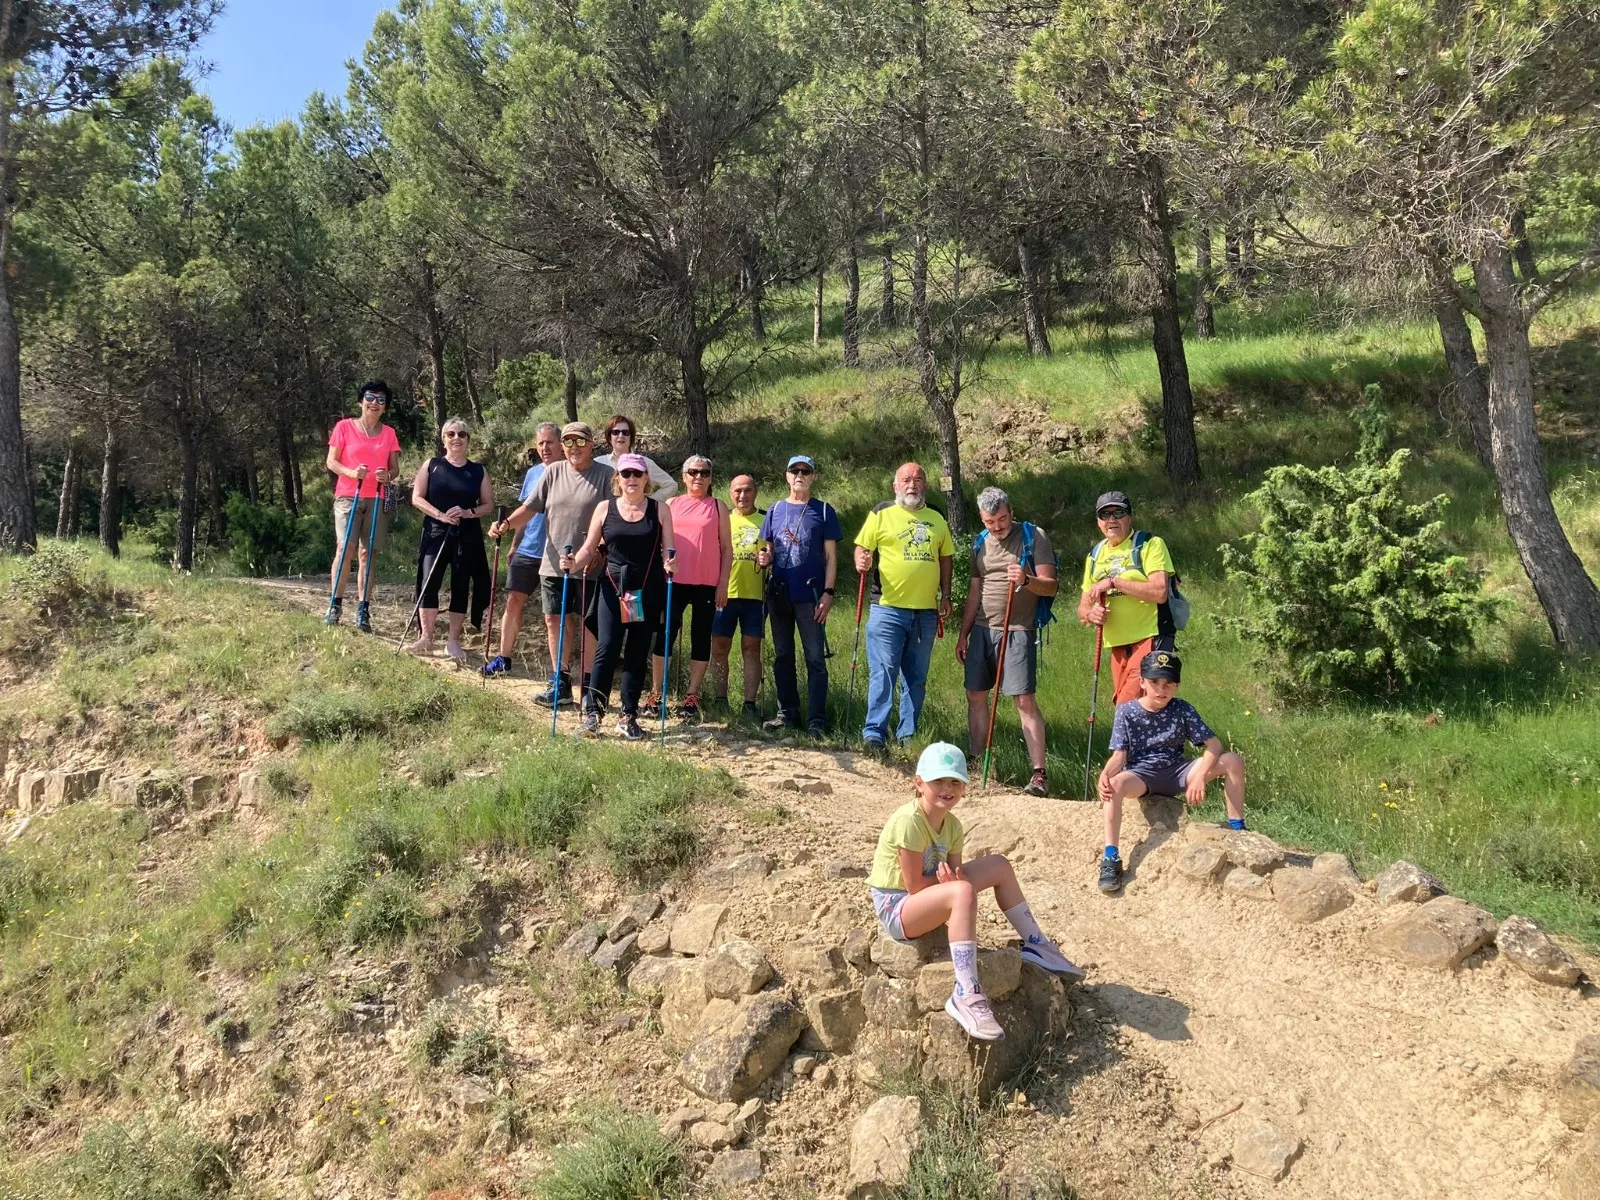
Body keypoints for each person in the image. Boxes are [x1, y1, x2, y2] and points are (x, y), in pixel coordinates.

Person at [867, 742, 1085, 1042]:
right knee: (962, 892)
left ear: (965, 787)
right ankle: (966, 991)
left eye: (955, 781)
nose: (947, 788)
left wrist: (952, 882)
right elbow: (914, 886)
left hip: (928, 894)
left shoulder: (953, 825)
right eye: (938, 781)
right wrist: (951, 885)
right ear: (919, 784)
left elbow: (956, 874)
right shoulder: (910, 820)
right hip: (897, 906)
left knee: (998, 865)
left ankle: (1037, 944)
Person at [1096, 650, 1247, 894]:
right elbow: (1119, 755)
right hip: (1141, 775)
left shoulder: (1182, 709)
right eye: (1154, 682)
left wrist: (1198, 776)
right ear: (1142, 682)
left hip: (1178, 771)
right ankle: (1111, 857)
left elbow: (1215, 745)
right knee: (1113, 784)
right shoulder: (1126, 711)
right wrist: (1105, 773)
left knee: (1232, 760)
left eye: (1168, 683)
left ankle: (1238, 828)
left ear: (1177, 686)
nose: (1161, 689)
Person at [489, 422, 613, 708]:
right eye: (568, 442)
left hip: (590, 564)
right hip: (553, 562)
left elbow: (613, 517)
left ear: (591, 444)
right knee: (554, 619)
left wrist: (601, 548)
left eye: (579, 442)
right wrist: (506, 525)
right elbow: (531, 508)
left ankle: (590, 686)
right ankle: (561, 680)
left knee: (588, 623)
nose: (574, 448)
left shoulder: (606, 476)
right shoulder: (553, 472)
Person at [957, 487, 1058, 797]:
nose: (997, 527)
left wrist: (1026, 580)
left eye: (1001, 519)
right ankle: (976, 762)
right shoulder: (979, 543)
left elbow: (1051, 586)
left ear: (1011, 512)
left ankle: (1038, 774)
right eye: (990, 522)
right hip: (983, 631)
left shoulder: (1032, 536)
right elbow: (975, 592)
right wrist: (964, 633)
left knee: (1023, 700)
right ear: (981, 518)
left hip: (1018, 629)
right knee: (975, 694)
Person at [569, 453, 677, 739]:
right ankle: (594, 713)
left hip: (646, 588)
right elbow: (589, 548)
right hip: (612, 588)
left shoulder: (660, 510)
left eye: (637, 474)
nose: (631, 479)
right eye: (626, 474)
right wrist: (572, 563)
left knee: (638, 652)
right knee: (606, 647)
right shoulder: (605, 508)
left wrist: (670, 563)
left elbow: (669, 549)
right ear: (617, 478)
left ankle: (628, 715)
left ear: (646, 479)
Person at [853, 462, 954, 756]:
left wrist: (946, 595)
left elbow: (945, 556)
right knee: (884, 672)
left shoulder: (936, 516)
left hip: (925, 612)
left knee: (916, 677)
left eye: (918, 480)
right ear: (896, 486)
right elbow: (862, 547)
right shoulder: (881, 512)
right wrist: (861, 559)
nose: (912, 485)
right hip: (887, 609)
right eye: (906, 480)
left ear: (926, 486)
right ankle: (875, 735)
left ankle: (908, 735)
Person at [758, 455, 841, 737]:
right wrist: (764, 558)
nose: (800, 475)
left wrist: (828, 593)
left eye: (806, 471)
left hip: (812, 595)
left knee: (815, 657)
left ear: (814, 477)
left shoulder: (825, 511)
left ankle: (816, 719)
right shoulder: (775, 509)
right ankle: (787, 714)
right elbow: (768, 549)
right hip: (779, 593)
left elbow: (831, 557)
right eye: (795, 470)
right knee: (782, 655)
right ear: (787, 475)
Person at [405, 418, 494, 663]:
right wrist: (440, 516)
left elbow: (489, 504)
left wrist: (467, 513)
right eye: (451, 434)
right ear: (444, 439)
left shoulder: (478, 470)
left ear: (468, 440)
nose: (456, 438)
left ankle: (453, 641)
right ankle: (427, 638)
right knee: (429, 581)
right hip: (435, 532)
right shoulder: (432, 465)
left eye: (462, 434)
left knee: (460, 585)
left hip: (466, 535)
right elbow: (417, 497)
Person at [650, 456, 731, 721]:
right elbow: (660, 542)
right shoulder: (671, 504)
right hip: (674, 581)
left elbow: (727, 548)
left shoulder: (718, 507)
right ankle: (656, 693)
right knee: (664, 634)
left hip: (707, 583)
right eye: (693, 472)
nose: (699, 477)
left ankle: (691, 696)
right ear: (684, 476)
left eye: (704, 473)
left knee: (700, 638)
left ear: (710, 478)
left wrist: (723, 584)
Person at [1078, 490, 1178, 705]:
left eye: (1118, 513)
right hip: (1118, 645)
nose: (1111, 519)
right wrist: (1091, 613)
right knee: (1132, 708)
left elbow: (1159, 592)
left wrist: (1114, 582)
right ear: (1098, 522)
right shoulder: (1095, 555)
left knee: (1128, 705)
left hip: (1151, 637)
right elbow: (1083, 608)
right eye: (1105, 515)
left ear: (1130, 517)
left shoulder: (1150, 544)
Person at [482, 422, 563, 677]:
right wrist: (515, 545)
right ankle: (503, 658)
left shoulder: (569, 471)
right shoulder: (532, 474)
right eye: (540, 443)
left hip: (557, 552)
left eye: (549, 442)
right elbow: (524, 513)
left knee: (557, 615)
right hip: (529, 549)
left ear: (560, 443)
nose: (544, 448)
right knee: (513, 600)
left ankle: (560, 672)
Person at [325, 380, 401, 631]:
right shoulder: (344, 427)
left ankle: (363, 610)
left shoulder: (389, 433)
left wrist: (387, 476)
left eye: (381, 400)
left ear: (385, 407)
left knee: (368, 554)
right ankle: (335, 605)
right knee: (345, 548)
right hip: (348, 494)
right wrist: (350, 472)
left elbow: (395, 468)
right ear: (361, 401)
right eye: (370, 398)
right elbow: (331, 462)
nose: (375, 404)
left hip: (377, 497)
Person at [710, 475, 767, 720]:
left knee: (751, 649)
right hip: (725, 594)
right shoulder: (723, 519)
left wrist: (769, 559)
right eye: (737, 491)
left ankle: (749, 704)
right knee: (720, 648)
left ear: (755, 492)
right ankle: (720, 700)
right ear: (730, 493)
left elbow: (774, 553)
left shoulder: (766, 519)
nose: (742, 496)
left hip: (756, 596)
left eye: (747, 491)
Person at [595, 414, 677, 498]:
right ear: (609, 437)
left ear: (631, 437)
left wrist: (651, 502)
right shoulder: (598, 463)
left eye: (625, 432)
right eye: (615, 432)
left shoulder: (646, 463)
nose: (621, 436)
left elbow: (671, 485)